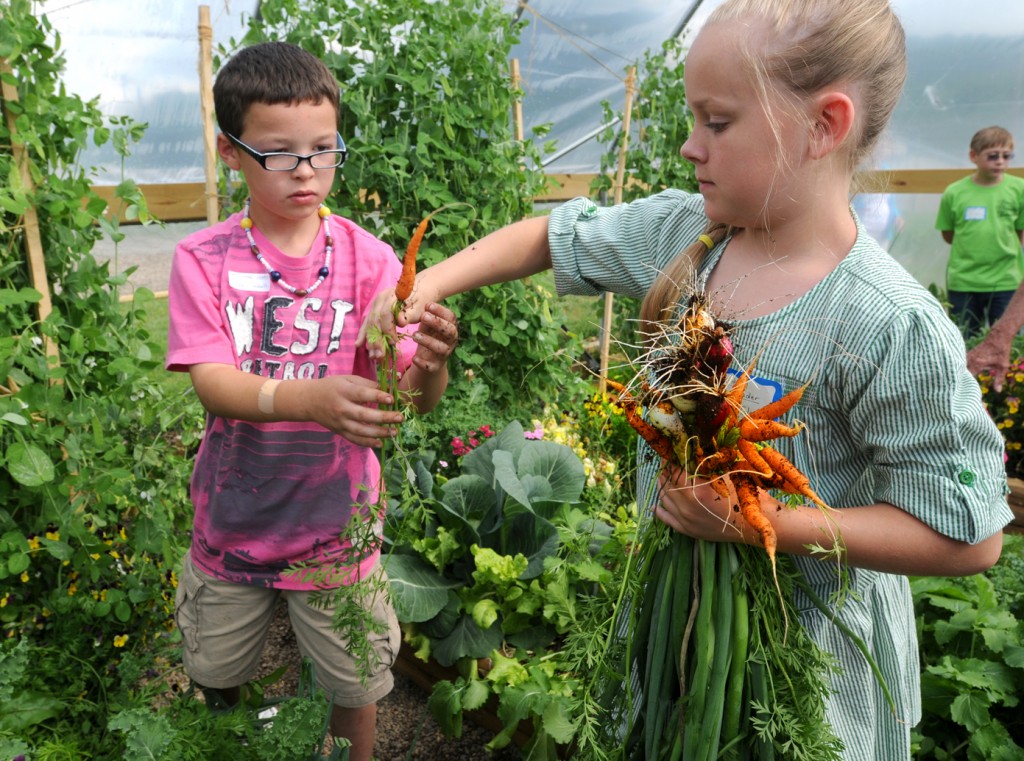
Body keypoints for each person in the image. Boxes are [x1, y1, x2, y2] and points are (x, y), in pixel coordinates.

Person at [360, 1, 1012, 758]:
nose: (688, 145)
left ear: (823, 125)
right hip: (674, 638)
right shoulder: (686, 236)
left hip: (809, 684)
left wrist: (767, 524)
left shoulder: (885, 323)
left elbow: (969, 537)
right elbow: (550, 234)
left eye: (717, 122)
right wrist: (427, 281)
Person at [165, 41, 458, 761]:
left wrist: (435, 364)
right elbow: (212, 380)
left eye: (323, 149)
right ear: (231, 152)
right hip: (234, 523)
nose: (306, 170)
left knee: (354, 683)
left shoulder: (372, 261)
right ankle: (224, 741)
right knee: (217, 669)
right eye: (280, 152)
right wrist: (311, 399)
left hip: (339, 530)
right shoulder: (203, 260)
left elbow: (411, 398)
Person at [936, 125, 1024, 338]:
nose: (1001, 161)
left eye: (1006, 155)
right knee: (963, 340)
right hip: (964, 281)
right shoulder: (955, 192)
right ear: (973, 156)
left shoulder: (1019, 188)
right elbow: (948, 234)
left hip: (1006, 281)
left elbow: (1020, 232)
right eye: (993, 156)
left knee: (1006, 343)